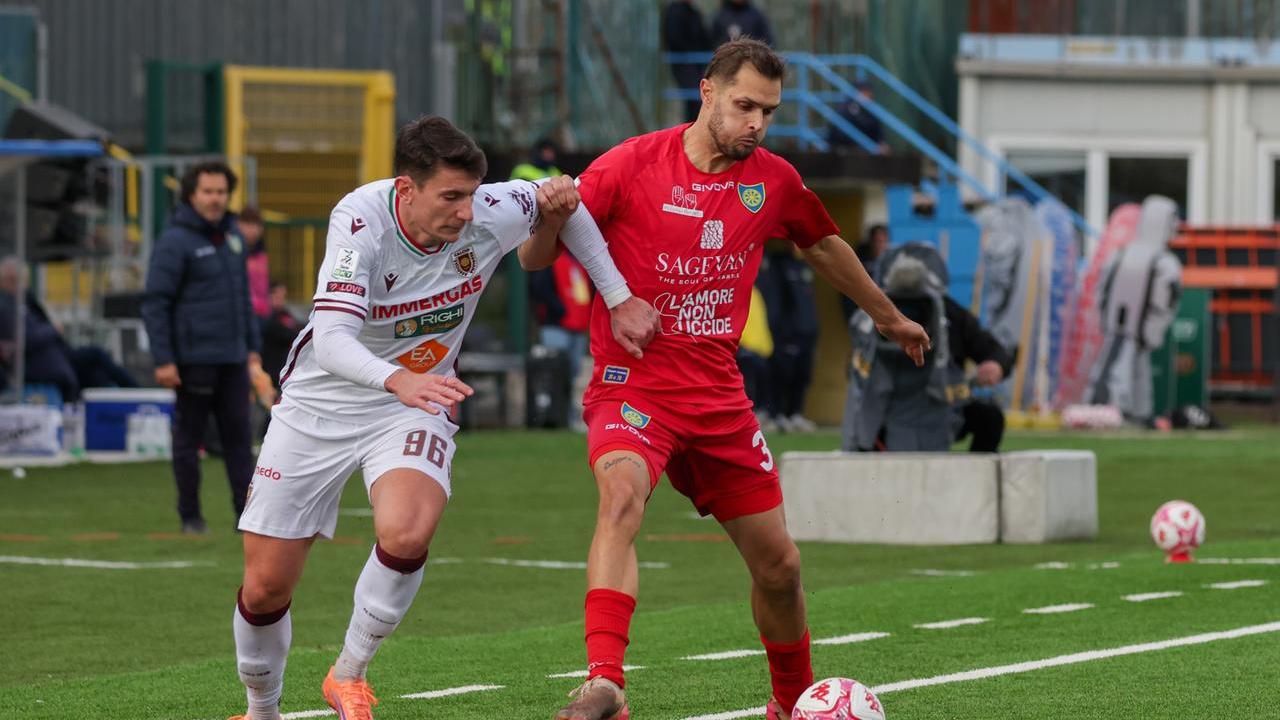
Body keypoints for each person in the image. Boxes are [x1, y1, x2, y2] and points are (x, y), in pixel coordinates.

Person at [226, 115, 658, 720]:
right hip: (322, 403)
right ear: (406, 189)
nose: (465, 212)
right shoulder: (360, 221)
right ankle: (261, 710)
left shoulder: (489, 206)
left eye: (471, 196)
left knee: (408, 531)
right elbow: (330, 339)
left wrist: (616, 297)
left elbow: (567, 205)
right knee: (266, 586)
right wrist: (397, 377)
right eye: (450, 197)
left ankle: (348, 674)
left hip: (419, 398)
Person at [550, 39, 929, 720]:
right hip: (631, 386)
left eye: (769, 111)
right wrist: (553, 233)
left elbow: (822, 244)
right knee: (621, 501)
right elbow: (547, 242)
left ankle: (792, 705)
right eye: (745, 104)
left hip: (718, 398)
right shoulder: (630, 165)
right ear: (708, 91)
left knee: (780, 567)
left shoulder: (773, 180)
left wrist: (890, 317)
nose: (756, 122)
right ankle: (605, 681)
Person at [142, 161, 261, 536]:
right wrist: (163, 359)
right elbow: (155, 302)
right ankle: (190, 517)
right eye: (208, 192)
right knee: (189, 442)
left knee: (240, 441)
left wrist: (252, 348)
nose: (215, 199)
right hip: (192, 360)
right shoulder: (174, 241)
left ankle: (247, 516)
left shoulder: (233, 238)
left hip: (232, 358)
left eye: (221, 192)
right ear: (191, 194)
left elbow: (243, 299)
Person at [842, 243, 1011, 453]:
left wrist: (995, 365)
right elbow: (856, 369)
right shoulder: (871, 316)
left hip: (942, 409)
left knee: (989, 416)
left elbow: (993, 350)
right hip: (884, 414)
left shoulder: (951, 314)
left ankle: (975, 481)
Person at [0, 256, 137, 401]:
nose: (26, 286)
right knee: (96, 355)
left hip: (55, 356)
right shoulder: (6, 306)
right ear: (11, 279)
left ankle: (119, 406)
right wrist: (53, 330)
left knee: (96, 372)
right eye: (23, 281)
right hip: (42, 362)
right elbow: (24, 339)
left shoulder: (23, 302)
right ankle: (135, 392)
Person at [757, 242, 820, 433]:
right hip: (789, 334)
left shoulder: (805, 267)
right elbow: (777, 305)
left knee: (802, 376)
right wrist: (782, 332)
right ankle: (777, 414)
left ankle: (795, 414)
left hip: (808, 333)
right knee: (783, 374)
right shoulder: (780, 266)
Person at [663, 0, 712, 122]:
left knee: (699, 99)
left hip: (698, 64)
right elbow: (674, 39)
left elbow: (705, 39)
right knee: (694, 101)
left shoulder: (694, 13)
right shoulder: (674, 12)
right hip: (683, 63)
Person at [829, 81, 889, 155]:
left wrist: (881, 142)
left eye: (869, 93)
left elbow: (877, 129)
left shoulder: (870, 110)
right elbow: (837, 134)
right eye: (864, 93)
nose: (868, 96)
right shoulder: (844, 108)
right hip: (847, 148)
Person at [240, 206, 271, 319]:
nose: (253, 230)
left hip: (263, 313)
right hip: (244, 314)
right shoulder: (233, 253)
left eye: (257, 225)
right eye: (248, 224)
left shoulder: (261, 255)